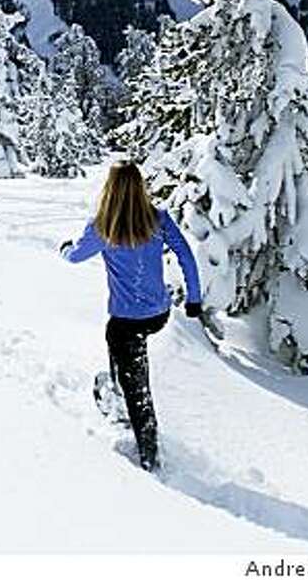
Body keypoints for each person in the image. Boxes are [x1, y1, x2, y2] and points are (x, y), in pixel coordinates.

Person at [59, 161, 202, 472]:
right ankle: (119, 391)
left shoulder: (102, 226)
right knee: (123, 354)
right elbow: (187, 256)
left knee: (138, 388)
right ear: (140, 187)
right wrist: (194, 299)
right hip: (158, 314)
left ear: (109, 189)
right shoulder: (158, 219)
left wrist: (65, 249)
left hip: (126, 322)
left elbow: (75, 256)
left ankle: (150, 459)